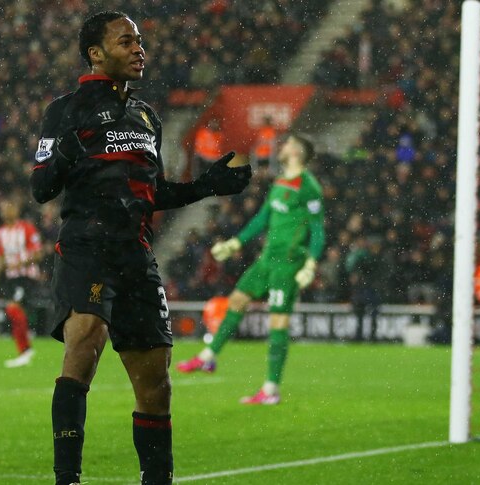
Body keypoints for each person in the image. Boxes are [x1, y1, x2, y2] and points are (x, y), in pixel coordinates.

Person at [31, 11, 252, 485]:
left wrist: (205, 186)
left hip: (136, 254)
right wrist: (72, 144)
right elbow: (42, 186)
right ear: (96, 53)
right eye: (125, 40)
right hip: (87, 246)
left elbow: (154, 194)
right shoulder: (64, 109)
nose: (139, 48)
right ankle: (66, 478)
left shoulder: (146, 115)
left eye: (139, 40)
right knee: (85, 342)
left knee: (156, 385)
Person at [177, 134, 325, 406]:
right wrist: (236, 242)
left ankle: (270, 389)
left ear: (298, 152)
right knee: (236, 301)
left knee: (277, 322)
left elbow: (317, 229)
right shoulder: (280, 182)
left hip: (288, 263)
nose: (284, 146)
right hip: (266, 259)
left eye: (289, 143)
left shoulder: (309, 187)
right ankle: (208, 357)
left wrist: (311, 263)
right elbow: (263, 218)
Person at [0, 199, 43, 368]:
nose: (5, 212)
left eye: (9, 207)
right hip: (12, 278)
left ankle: (25, 350)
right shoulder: (2, 232)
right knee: (15, 311)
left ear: (16, 210)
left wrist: (22, 263)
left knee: (13, 308)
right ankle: (25, 346)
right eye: (3, 209)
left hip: (26, 277)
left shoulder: (27, 228)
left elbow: (39, 254)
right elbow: (0, 258)